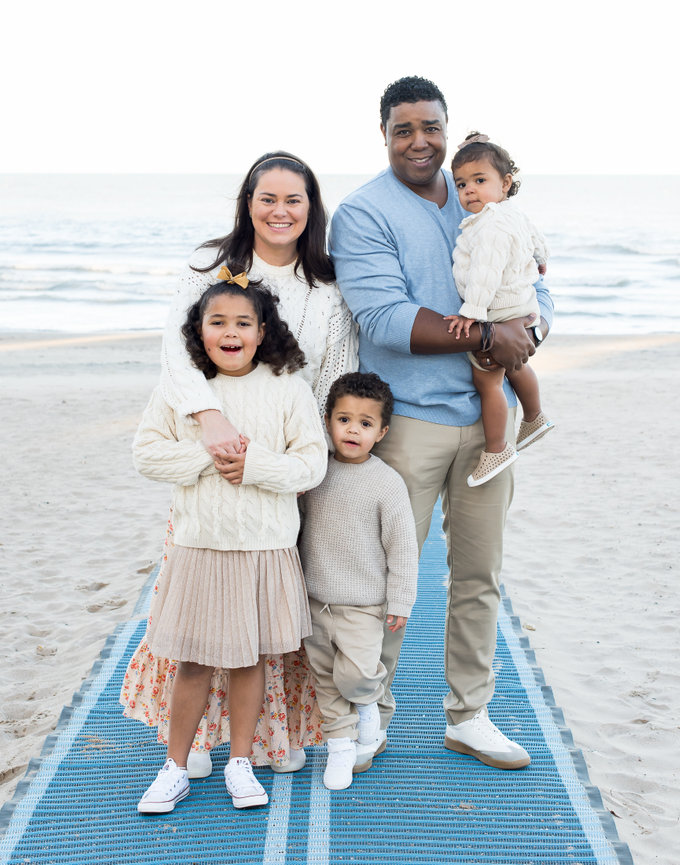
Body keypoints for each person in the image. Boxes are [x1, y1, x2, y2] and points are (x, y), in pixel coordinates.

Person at [330, 76, 554, 771]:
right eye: (404, 129)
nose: (419, 141)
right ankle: (371, 712)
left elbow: (537, 285)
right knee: (382, 576)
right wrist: (491, 336)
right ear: (385, 135)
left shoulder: (481, 188)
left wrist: (530, 329)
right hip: (410, 426)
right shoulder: (363, 212)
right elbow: (384, 318)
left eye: (431, 126)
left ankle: (470, 715)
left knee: (479, 572)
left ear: (448, 127)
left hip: (492, 426)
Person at [120, 151, 358, 779]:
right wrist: (209, 422)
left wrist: (306, 452)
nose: (280, 211)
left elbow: (333, 372)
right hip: (215, 450)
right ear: (247, 203)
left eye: (294, 200)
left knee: (271, 608)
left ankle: (268, 737)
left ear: (312, 210)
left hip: (287, 453)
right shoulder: (212, 269)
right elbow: (176, 352)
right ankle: (198, 737)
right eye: (267, 198)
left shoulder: (327, 289)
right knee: (200, 606)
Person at [133, 276, 328, 814]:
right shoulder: (184, 391)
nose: (230, 332)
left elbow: (312, 464)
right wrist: (208, 452)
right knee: (193, 663)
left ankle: (241, 761)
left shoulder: (287, 386)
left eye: (243, 323)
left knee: (249, 662)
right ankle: (175, 766)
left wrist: (255, 465)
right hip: (200, 546)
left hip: (264, 548)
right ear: (198, 331)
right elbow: (146, 455)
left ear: (263, 332)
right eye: (217, 322)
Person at [299, 372, 418, 790]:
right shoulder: (314, 474)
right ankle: (340, 749)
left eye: (365, 424)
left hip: (363, 605)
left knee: (356, 675)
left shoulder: (386, 482)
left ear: (381, 432)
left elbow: (402, 547)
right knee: (324, 680)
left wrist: (400, 600)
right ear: (328, 421)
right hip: (313, 601)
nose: (353, 430)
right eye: (344, 419)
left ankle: (370, 706)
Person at [444, 132, 555, 487]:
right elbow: (536, 237)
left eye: (480, 181)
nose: (469, 190)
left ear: (505, 183)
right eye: (461, 184)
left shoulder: (490, 222)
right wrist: (539, 261)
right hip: (520, 303)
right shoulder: (510, 212)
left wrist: (471, 312)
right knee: (514, 363)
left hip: (499, 308)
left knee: (487, 378)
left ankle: (496, 448)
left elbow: (485, 271)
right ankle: (535, 416)